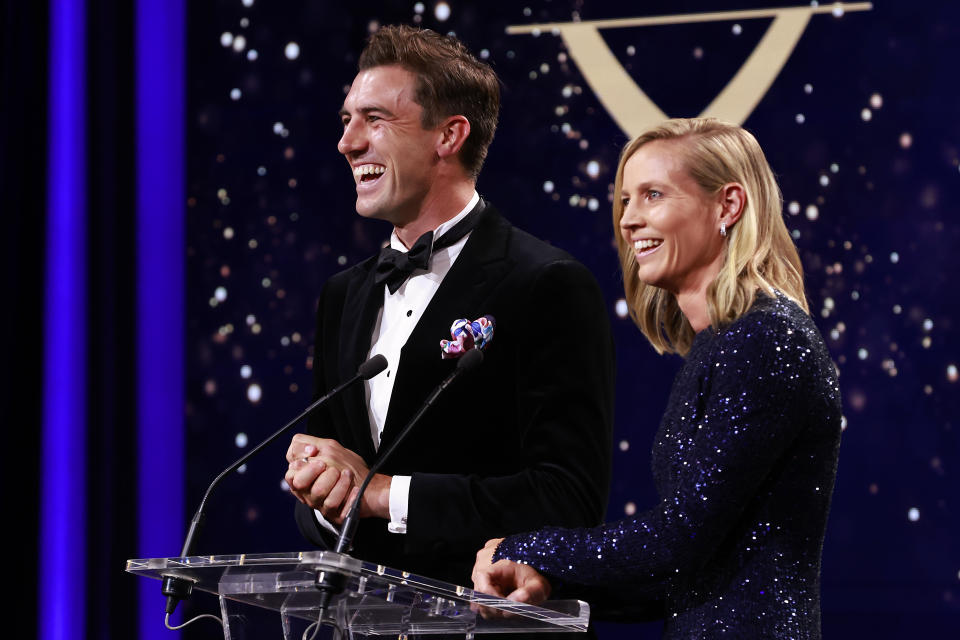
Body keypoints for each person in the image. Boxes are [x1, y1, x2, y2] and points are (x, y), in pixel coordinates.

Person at [472, 118, 842, 639]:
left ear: (728, 206)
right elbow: (684, 574)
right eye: (625, 200)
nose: (628, 220)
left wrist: (526, 549)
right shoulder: (721, 343)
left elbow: (676, 541)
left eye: (652, 195)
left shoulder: (766, 339)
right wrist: (546, 582)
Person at [283, 25, 615, 587]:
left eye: (375, 120)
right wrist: (321, 491)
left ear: (449, 135)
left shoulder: (546, 284)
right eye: (347, 121)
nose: (348, 143)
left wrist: (387, 494)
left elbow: (568, 500)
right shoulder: (343, 296)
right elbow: (334, 491)